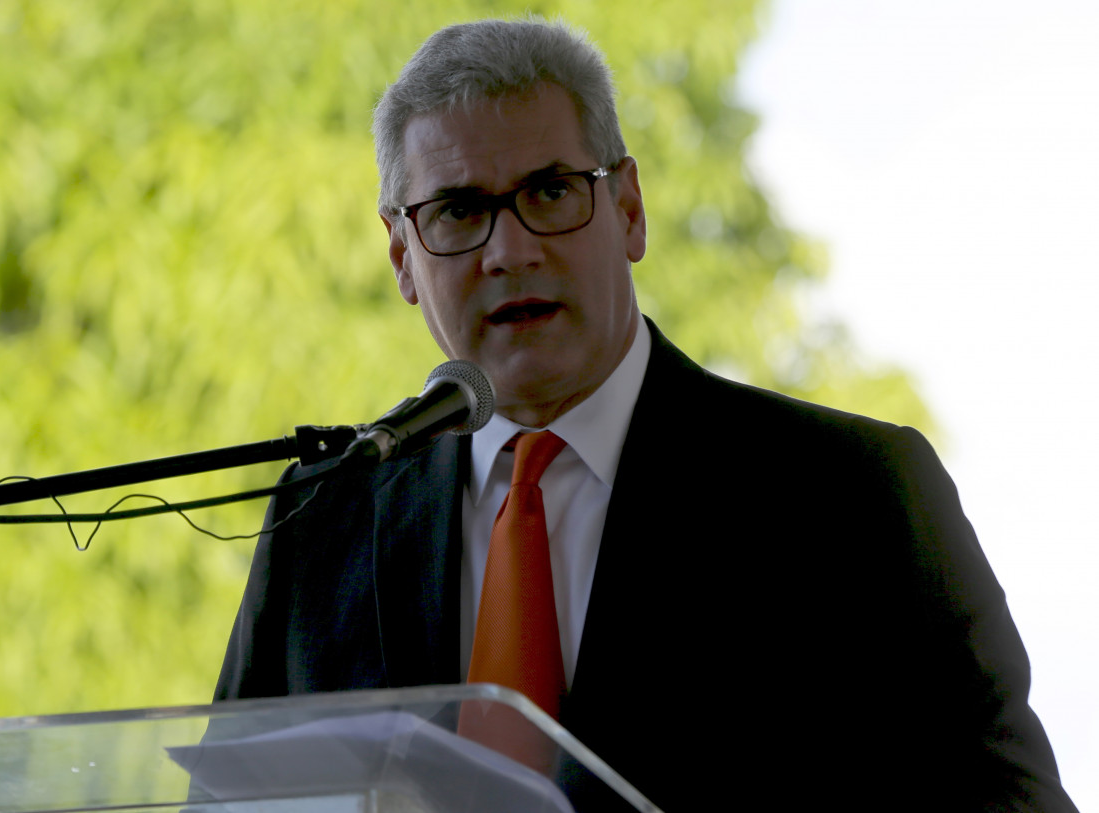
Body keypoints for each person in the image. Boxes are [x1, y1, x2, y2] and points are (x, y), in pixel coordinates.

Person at [214, 18, 1078, 812]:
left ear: (628, 208)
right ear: (403, 255)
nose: (510, 250)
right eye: (459, 211)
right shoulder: (320, 521)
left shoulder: (850, 495)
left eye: (551, 191)